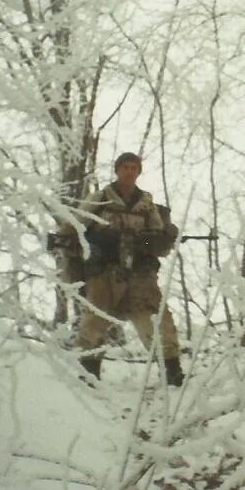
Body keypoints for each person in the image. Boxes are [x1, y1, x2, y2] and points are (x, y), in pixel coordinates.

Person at [62, 152, 184, 386]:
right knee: (94, 320)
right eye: (125, 167)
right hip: (105, 271)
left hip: (139, 274)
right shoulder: (100, 199)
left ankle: (172, 371)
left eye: (133, 168)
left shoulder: (147, 204)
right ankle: (88, 374)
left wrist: (159, 239)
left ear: (138, 172)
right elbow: (73, 228)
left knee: (156, 320)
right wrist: (89, 248)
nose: (129, 172)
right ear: (117, 170)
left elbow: (159, 239)